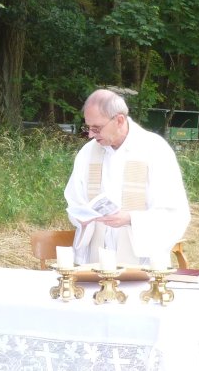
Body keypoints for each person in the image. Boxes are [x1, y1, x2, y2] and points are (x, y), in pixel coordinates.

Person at [64, 88, 191, 266]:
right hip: (95, 262)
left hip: (142, 264)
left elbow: (174, 213)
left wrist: (130, 219)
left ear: (119, 120)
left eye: (96, 128)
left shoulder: (154, 149)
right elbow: (75, 201)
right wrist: (84, 217)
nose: (91, 134)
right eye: (88, 127)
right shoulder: (88, 153)